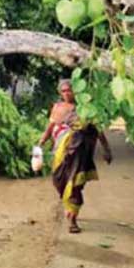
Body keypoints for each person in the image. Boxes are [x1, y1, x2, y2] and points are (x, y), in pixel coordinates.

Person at [37, 78, 113, 233]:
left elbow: (97, 130)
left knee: (75, 185)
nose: (67, 93)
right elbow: (50, 127)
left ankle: (73, 220)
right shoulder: (57, 108)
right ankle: (68, 205)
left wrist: (106, 149)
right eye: (63, 91)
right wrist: (41, 142)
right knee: (59, 182)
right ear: (60, 92)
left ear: (76, 91)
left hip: (79, 154)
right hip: (60, 153)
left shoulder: (85, 109)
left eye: (69, 90)